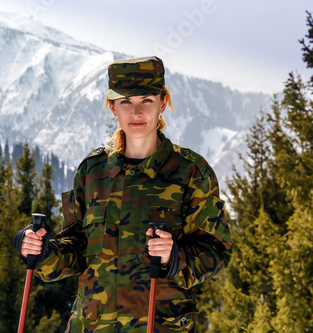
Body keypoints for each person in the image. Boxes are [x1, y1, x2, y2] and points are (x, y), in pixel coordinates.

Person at [14, 56, 232, 332]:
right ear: (112, 107)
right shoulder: (92, 171)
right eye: (126, 102)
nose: (136, 112)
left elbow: (217, 249)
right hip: (91, 325)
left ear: (163, 103)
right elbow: (78, 246)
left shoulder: (191, 172)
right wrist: (42, 251)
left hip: (158, 325)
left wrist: (174, 257)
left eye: (146, 101)